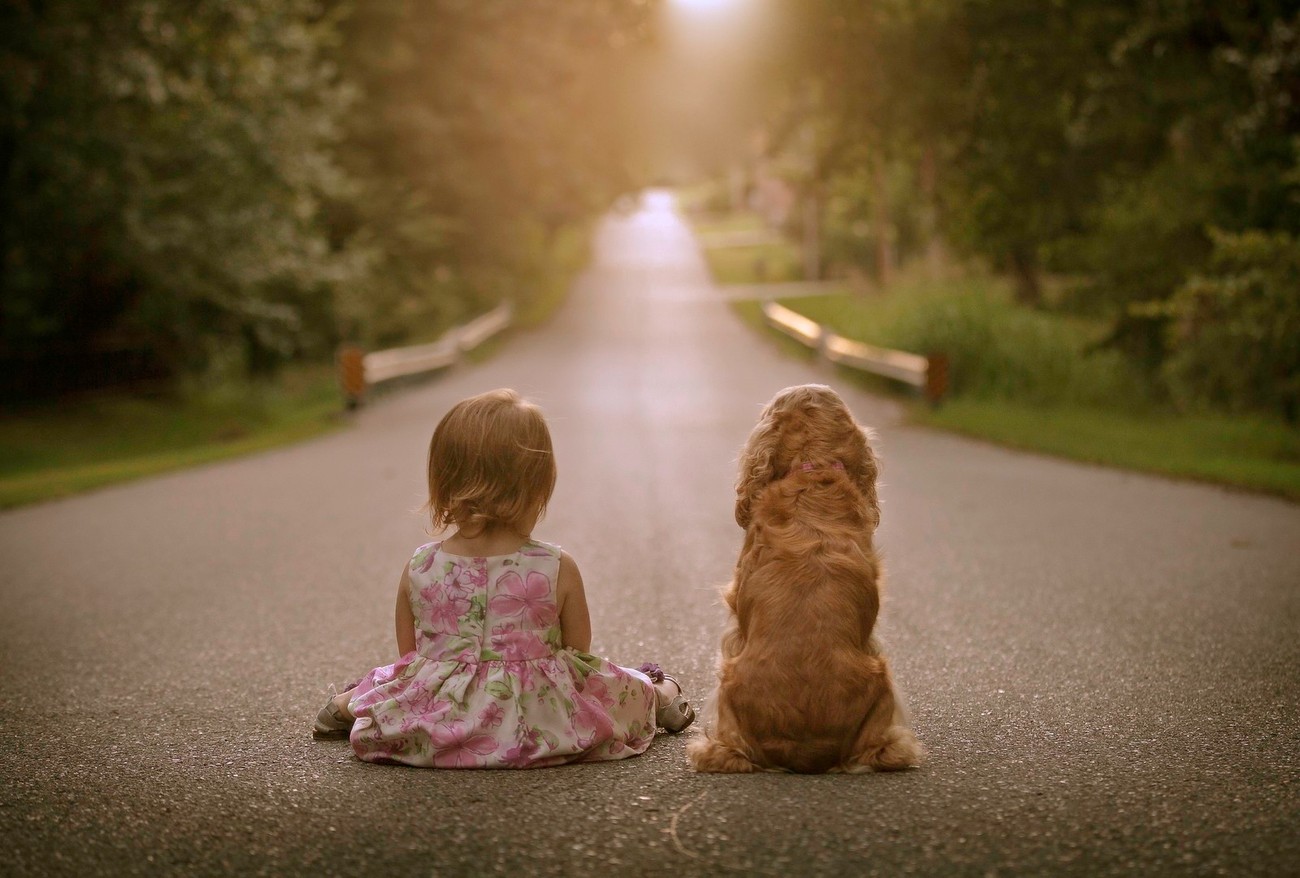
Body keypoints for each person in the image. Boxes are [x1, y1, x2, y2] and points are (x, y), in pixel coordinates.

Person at [312, 388, 694, 767]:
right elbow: (578, 654)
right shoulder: (556, 566)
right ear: (537, 486)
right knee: (611, 685)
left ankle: (344, 707)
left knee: (390, 683)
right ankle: (660, 696)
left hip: (439, 720)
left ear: (443, 482)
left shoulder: (420, 566)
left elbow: (409, 659)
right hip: (536, 720)